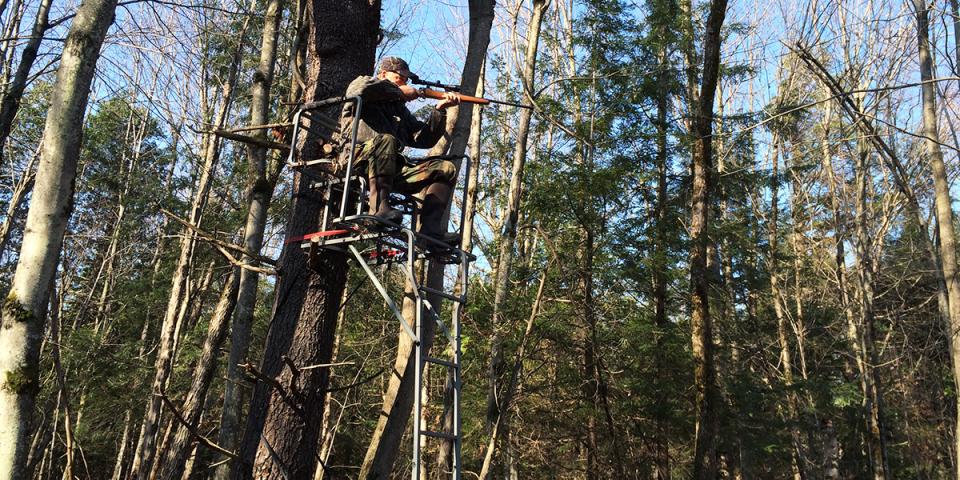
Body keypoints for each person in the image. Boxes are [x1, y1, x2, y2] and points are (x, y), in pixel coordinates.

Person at [338, 56, 461, 246]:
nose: (404, 82)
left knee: (445, 168)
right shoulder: (364, 83)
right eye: (400, 78)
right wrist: (398, 91)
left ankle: (430, 233)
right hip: (358, 158)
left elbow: (423, 139)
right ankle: (379, 209)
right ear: (383, 74)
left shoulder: (399, 110)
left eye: (405, 79)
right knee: (387, 140)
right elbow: (360, 90)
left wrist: (439, 110)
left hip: (392, 167)